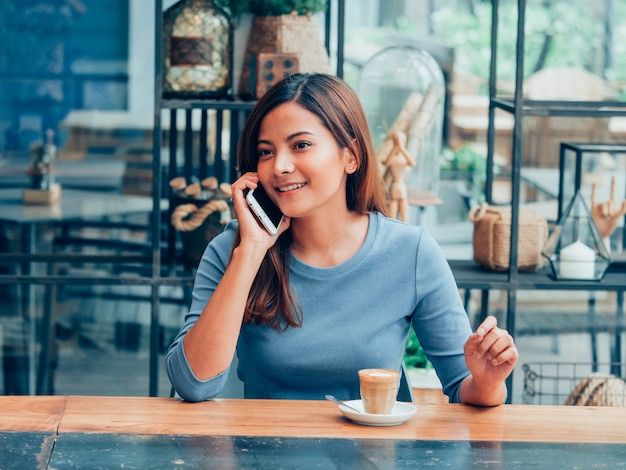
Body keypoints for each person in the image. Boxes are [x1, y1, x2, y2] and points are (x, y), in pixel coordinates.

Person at [166, 73, 518, 406]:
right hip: (263, 455)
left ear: (350, 155)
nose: (279, 167)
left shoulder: (411, 251)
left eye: (300, 145)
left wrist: (487, 382)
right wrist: (253, 250)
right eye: (265, 151)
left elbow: (462, 387)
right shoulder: (234, 249)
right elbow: (194, 384)